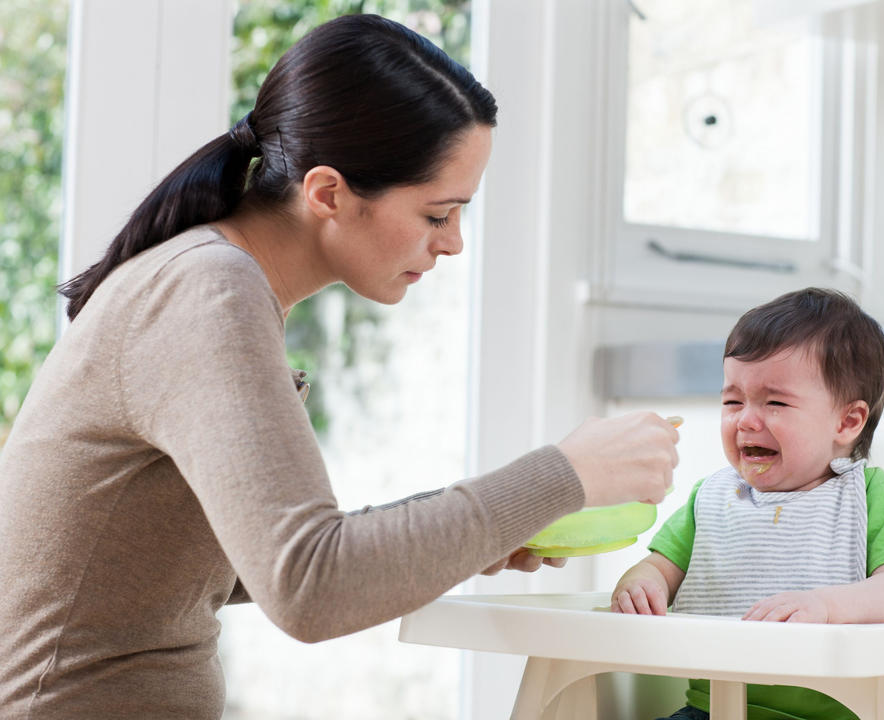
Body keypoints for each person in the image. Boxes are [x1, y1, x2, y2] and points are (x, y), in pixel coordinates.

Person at [0, 14, 680, 719]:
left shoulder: (212, 276)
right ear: (327, 193)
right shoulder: (210, 287)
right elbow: (309, 587)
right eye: (438, 214)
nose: (454, 245)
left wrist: (470, 538)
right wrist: (562, 476)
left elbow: (228, 568)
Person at [610, 288, 884, 720]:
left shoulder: (871, 496)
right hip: (710, 710)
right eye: (732, 401)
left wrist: (826, 606)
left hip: (834, 714)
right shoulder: (711, 499)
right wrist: (640, 582)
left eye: (775, 402)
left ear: (847, 421)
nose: (745, 419)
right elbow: (659, 568)